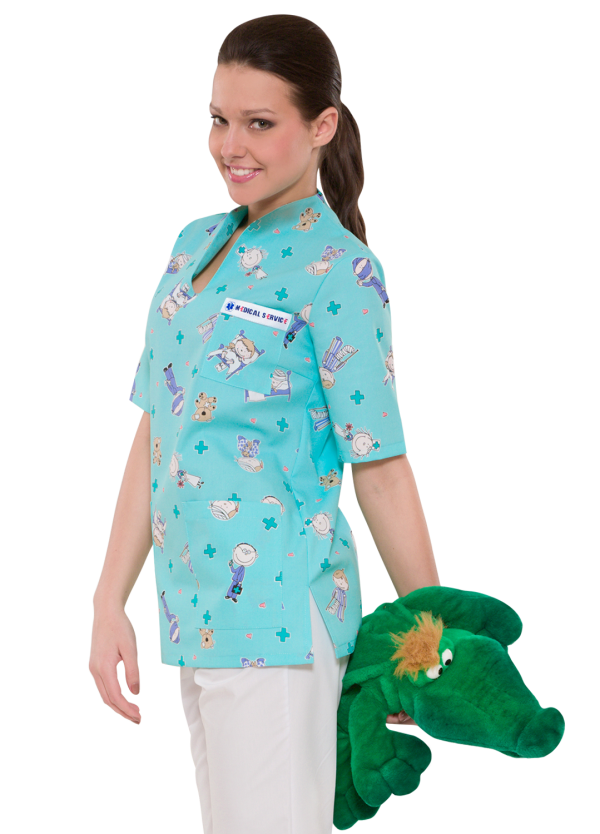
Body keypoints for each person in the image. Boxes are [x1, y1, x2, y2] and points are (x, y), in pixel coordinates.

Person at [89, 13, 440, 834]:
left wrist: (431, 635)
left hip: (282, 624)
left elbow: (381, 468)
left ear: (322, 126)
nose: (230, 146)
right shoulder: (192, 247)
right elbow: (157, 432)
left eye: (259, 123)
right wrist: (109, 600)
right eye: (219, 119)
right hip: (194, 620)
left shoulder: (343, 273)